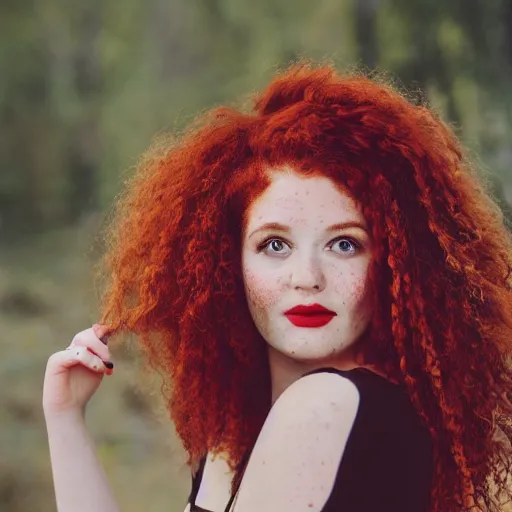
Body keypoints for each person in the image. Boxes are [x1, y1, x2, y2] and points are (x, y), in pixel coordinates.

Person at [43, 61, 512, 512]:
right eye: (274, 245)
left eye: (345, 244)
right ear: (229, 265)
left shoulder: (325, 406)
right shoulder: (238, 432)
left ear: (393, 263)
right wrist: (65, 417)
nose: (307, 277)